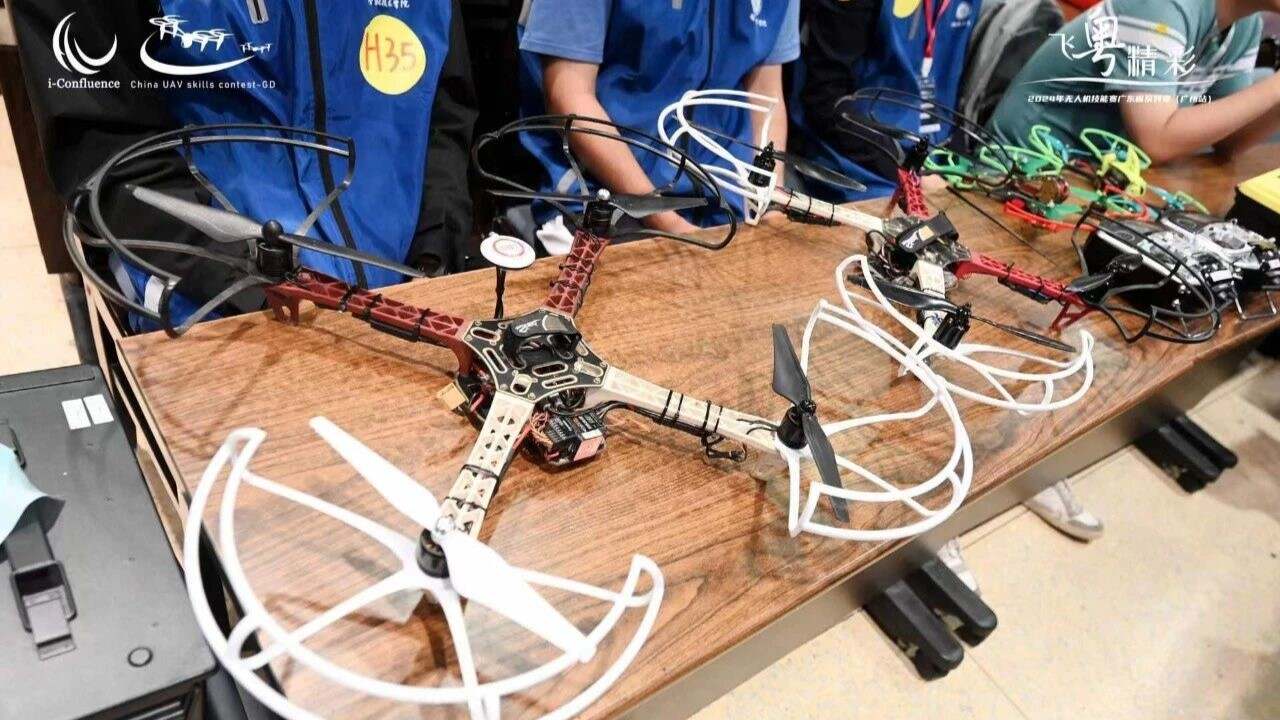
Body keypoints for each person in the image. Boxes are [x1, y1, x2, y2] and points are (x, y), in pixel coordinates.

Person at [11, 0, 476, 331]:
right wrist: (248, 292)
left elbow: (440, 106)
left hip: (410, 296)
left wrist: (434, 252)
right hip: (216, 309)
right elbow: (105, 149)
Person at [515, 0, 800, 243]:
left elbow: (766, 93)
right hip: (602, 199)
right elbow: (569, 95)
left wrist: (769, 201)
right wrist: (669, 222)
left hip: (727, 201)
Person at [989, 0, 1280, 164]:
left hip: (1100, 177)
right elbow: (1157, 139)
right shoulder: (1161, 5)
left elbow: (1227, 142)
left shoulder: (1245, 27)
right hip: (1016, 169)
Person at [789, 0, 984, 201]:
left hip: (937, 159)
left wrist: (956, 165)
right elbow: (825, 100)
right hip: (857, 161)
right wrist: (910, 170)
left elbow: (954, 88)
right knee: (912, 215)